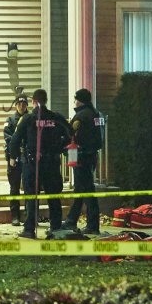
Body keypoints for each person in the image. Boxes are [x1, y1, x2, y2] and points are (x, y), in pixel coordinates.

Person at [10, 88, 70, 239]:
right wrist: (59, 147)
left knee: (31, 197)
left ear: (33, 102)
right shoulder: (56, 118)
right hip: (51, 163)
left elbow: (15, 140)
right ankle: (55, 227)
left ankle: (29, 229)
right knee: (53, 196)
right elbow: (70, 135)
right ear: (46, 101)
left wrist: (14, 157)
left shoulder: (28, 119)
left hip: (33, 164)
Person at [62, 88, 104, 235]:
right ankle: (71, 220)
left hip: (81, 157)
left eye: (75, 99)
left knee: (87, 190)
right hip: (92, 156)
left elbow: (70, 135)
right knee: (80, 189)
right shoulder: (96, 114)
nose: (74, 101)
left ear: (79, 100)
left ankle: (93, 225)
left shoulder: (80, 116)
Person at [3, 94, 28, 227]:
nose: (21, 106)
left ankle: (30, 215)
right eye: (19, 104)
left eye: (24, 104)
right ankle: (15, 216)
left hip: (28, 158)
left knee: (30, 188)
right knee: (14, 187)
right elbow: (8, 137)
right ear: (16, 105)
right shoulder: (10, 120)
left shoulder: (31, 118)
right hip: (14, 157)